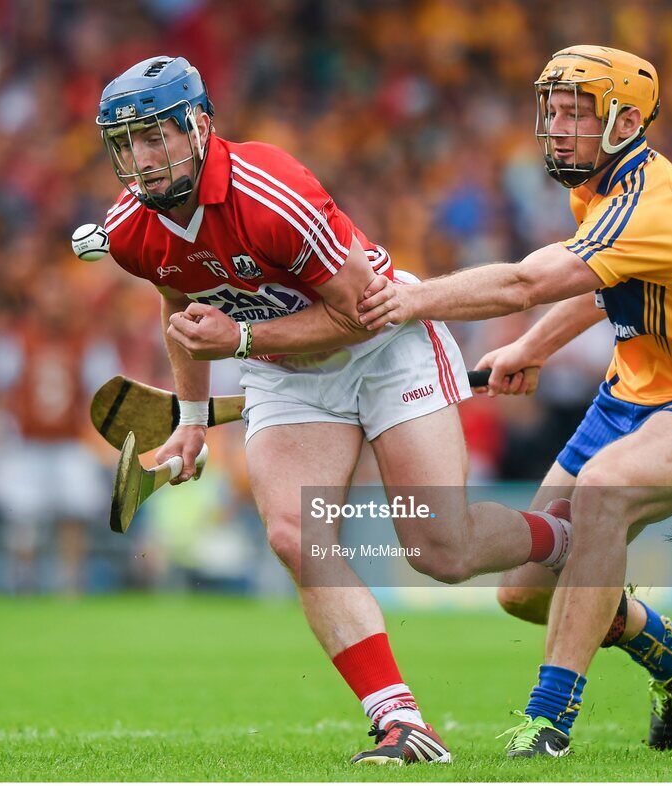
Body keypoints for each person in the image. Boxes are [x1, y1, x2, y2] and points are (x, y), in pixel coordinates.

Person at [94, 55, 576, 765]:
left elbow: (364, 313)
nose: (141, 158)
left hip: (383, 343)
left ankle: (566, 540)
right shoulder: (130, 228)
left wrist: (247, 336)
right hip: (285, 372)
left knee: (439, 550)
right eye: (126, 142)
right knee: (295, 534)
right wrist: (193, 421)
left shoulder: (273, 194)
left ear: (198, 126)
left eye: (155, 135)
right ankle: (400, 722)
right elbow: (181, 307)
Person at [357, 45, 672, 758]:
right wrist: (532, 348)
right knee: (524, 592)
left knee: (603, 490)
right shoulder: (595, 186)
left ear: (623, 121)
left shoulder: (655, 203)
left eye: (573, 113)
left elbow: (529, 282)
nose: (555, 126)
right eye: (551, 109)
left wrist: (413, 300)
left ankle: (548, 722)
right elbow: (604, 285)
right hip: (630, 397)